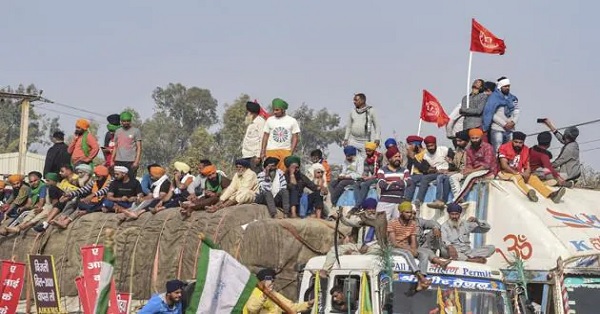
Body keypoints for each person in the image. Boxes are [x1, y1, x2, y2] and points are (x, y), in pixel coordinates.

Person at [498, 132, 566, 203]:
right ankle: (529, 193)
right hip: (505, 172)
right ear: (512, 140)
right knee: (517, 177)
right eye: (516, 142)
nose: (518, 144)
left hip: (520, 172)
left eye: (520, 143)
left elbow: (527, 164)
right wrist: (518, 173)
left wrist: (527, 172)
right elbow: (504, 165)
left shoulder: (526, 149)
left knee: (533, 178)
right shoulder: (504, 147)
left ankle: (551, 194)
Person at [50, 166, 112, 230]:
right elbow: (84, 189)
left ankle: (66, 222)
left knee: (80, 207)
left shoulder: (111, 181)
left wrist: (92, 195)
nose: (96, 177)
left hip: (101, 203)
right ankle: (62, 218)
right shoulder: (95, 180)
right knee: (74, 202)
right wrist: (70, 194)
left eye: (98, 176)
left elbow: (105, 190)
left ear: (104, 176)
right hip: (93, 201)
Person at [387, 202, 432, 291]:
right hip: (393, 248)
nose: (410, 215)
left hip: (406, 246)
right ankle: (420, 277)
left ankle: (420, 282)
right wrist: (409, 249)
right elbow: (393, 243)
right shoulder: (392, 223)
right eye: (407, 212)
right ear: (401, 213)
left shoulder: (412, 224)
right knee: (407, 253)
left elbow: (413, 239)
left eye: (411, 212)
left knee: (423, 255)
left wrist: (414, 250)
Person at [449, 128, 496, 201]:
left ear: (481, 138)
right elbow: (469, 163)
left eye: (476, 138)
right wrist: (466, 170)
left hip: (487, 171)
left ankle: (456, 200)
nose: (475, 140)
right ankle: (459, 198)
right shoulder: (469, 149)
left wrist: (471, 171)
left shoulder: (487, 147)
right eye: (473, 138)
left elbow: (487, 166)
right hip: (474, 170)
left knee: (471, 177)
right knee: (453, 177)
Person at [243, 268, 312, 314]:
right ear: (262, 282)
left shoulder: (273, 293)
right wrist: (264, 296)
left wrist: (308, 304)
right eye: (269, 281)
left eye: (272, 281)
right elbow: (252, 308)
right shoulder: (254, 292)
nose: (272, 283)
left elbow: (290, 307)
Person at [259, 98, 301, 171]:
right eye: (274, 110)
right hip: (271, 150)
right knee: (270, 172)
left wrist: (291, 152)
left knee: (283, 173)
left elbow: (295, 137)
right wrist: (262, 151)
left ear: (283, 110)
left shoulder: (292, 121)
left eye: (277, 110)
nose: (275, 112)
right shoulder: (270, 120)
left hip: (285, 151)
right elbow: (265, 136)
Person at [411, 203, 451, 275]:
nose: (412, 216)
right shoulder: (401, 222)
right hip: (410, 247)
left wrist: (436, 228)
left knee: (435, 231)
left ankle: (440, 253)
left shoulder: (419, 221)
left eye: (414, 213)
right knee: (425, 252)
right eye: (410, 213)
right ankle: (440, 262)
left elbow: (433, 223)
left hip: (422, 245)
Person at [482, 77, 520, 152]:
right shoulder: (493, 98)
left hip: (510, 129)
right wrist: (504, 124)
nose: (507, 88)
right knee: (497, 150)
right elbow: (491, 113)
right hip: (497, 128)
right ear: (500, 87)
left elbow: (516, 111)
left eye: (508, 86)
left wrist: (513, 122)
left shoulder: (513, 98)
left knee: (509, 151)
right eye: (505, 86)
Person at [376, 146, 411, 220]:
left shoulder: (405, 170)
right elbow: (382, 184)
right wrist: (400, 183)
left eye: (399, 156)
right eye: (395, 157)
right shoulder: (382, 170)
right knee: (380, 226)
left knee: (398, 227)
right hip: (385, 202)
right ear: (389, 159)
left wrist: (391, 183)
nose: (398, 158)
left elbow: (409, 182)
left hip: (399, 203)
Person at [343, 93, 381, 160]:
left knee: (365, 161)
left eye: (356, 100)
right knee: (350, 160)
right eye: (354, 100)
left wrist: (377, 138)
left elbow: (377, 126)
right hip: (353, 140)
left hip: (365, 141)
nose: (354, 102)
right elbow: (348, 126)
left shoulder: (371, 111)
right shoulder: (352, 111)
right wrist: (346, 139)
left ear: (362, 101)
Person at [419, 136, 453, 210]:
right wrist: (435, 170)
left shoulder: (444, 149)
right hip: (436, 172)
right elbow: (423, 168)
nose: (430, 148)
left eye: (432, 145)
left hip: (448, 172)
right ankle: (419, 200)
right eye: (428, 146)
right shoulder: (426, 155)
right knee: (425, 178)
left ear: (435, 144)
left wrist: (449, 168)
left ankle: (440, 200)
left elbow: (453, 160)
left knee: (441, 178)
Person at [112, 111, 142, 179]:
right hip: (119, 160)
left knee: (130, 180)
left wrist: (136, 161)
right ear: (121, 121)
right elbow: (115, 146)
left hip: (131, 161)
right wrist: (112, 160)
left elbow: (139, 147)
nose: (126, 122)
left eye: (128, 121)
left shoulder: (136, 131)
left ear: (130, 121)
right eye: (124, 121)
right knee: (118, 180)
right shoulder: (117, 131)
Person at [242, 101, 267, 173]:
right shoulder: (250, 123)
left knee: (255, 177)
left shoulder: (260, 122)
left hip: (254, 157)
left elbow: (262, 139)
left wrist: (258, 156)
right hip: (246, 155)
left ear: (252, 113)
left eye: (247, 112)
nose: (246, 114)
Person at [356, 142, 383, 206]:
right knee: (357, 184)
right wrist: (363, 177)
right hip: (372, 177)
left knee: (364, 185)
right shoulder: (366, 160)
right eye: (366, 151)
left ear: (373, 150)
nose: (367, 153)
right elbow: (366, 171)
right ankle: (357, 200)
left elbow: (382, 170)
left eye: (369, 151)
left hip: (380, 177)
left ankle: (359, 205)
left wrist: (369, 178)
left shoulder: (380, 157)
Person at [404, 135, 427, 204]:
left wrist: (413, 158)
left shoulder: (425, 153)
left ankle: (407, 200)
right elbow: (409, 168)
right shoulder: (413, 153)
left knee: (411, 180)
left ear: (417, 145)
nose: (409, 147)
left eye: (411, 145)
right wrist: (409, 157)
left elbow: (423, 169)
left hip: (422, 174)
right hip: (413, 174)